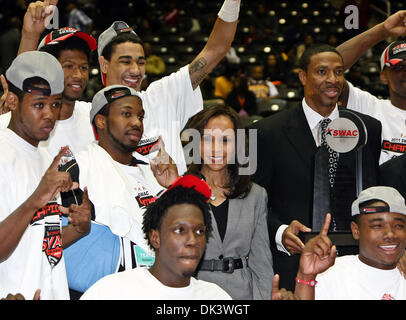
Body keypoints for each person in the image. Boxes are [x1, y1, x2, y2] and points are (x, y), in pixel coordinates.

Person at [15, 0, 242, 175]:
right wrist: (31, 34)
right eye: (125, 61)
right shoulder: (87, 115)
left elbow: (216, 49)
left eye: (140, 61)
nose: (135, 70)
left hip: (177, 224)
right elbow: (26, 97)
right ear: (103, 64)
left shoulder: (162, 95)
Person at [251, 44, 382, 291]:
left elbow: (372, 196)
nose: (332, 80)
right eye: (322, 72)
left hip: (356, 266)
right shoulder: (266, 133)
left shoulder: (368, 130)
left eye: (339, 72)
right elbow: (254, 203)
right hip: (293, 263)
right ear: (303, 76)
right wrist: (279, 232)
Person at [59, 84, 178, 299]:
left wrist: (173, 186)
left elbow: (181, 233)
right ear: (101, 121)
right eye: (126, 114)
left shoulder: (154, 170)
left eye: (140, 117)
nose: (136, 123)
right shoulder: (76, 167)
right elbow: (70, 250)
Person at [0, 51, 91, 300]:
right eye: (39, 105)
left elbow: (39, 242)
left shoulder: (43, 157)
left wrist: (79, 229)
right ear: (12, 101)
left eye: (55, 104)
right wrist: (35, 199)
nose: (50, 114)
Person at [80, 175, 232, 300]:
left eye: (200, 231)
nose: (192, 241)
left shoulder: (216, 297)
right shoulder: (111, 292)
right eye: (180, 230)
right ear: (155, 237)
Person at [185, 105, 273, 299]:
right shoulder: (181, 191)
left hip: (241, 294)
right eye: (208, 139)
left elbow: (262, 263)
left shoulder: (255, 195)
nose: (216, 149)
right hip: (193, 293)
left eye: (226, 140)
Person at [0, 17, 98, 157]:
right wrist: (30, 35)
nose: (78, 75)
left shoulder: (95, 117)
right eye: (68, 66)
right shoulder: (11, 125)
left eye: (83, 67)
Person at [295, 186, 406, 300]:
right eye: (377, 226)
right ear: (356, 230)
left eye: (398, 226)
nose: (390, 234)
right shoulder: (331, 273)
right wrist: (306, 277)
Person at [336, 10, 406, 164]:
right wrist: (382, 31)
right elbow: (330, 66)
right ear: (383, 76)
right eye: (399, 67)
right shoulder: (370, 107)